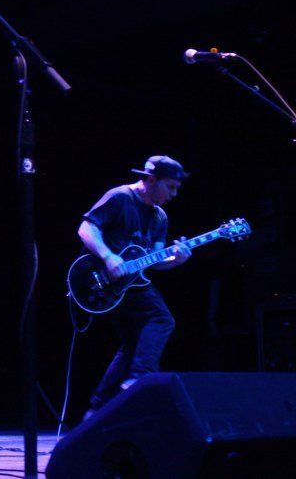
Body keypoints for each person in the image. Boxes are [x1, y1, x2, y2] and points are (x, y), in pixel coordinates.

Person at [77, 155, 192, 419]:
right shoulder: (119, 197)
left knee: (132, 345)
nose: (173, 194)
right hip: (101, 279)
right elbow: (86, 228)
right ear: (151, 179)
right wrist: (108, 256)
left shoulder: (160, 217)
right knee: (161, 319)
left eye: (176, 189)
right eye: (170, 187)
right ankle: (139, 379)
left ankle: (96, 410)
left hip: (130, 285)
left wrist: (177, 260)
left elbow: (155, 261)